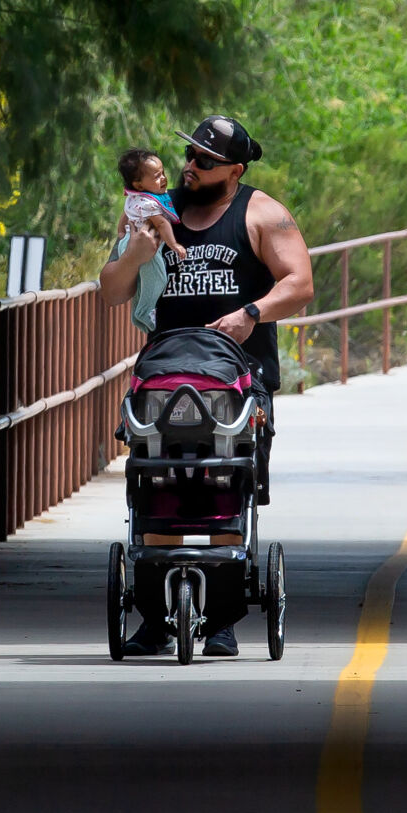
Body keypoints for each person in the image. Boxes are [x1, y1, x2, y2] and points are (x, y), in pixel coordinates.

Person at [99, 115, 314, 658]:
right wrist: (134, 256)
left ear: (235, 170)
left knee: (225, 484)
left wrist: (251, 313)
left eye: (204, 160)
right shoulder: (152, 210)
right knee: (156, 485)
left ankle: (220, 616)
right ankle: (153, 611)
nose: (189, 166)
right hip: (163, 380)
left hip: (240, 381)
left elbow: (300, 284)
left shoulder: (261, 213)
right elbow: (109, 292)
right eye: (189, 156)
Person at [114, 148, 186, 332]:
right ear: (138, 185)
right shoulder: (150, 203)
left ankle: (137, 316)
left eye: (162, 173)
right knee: (158, 279)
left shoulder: (135, 197)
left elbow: (124, 215)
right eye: (156, 176)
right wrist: (174, 244)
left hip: (128, 243)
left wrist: (121, 233)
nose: (163, 178)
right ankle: (146, 312)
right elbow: (162, 224)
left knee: (142, 282)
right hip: (145, 248)